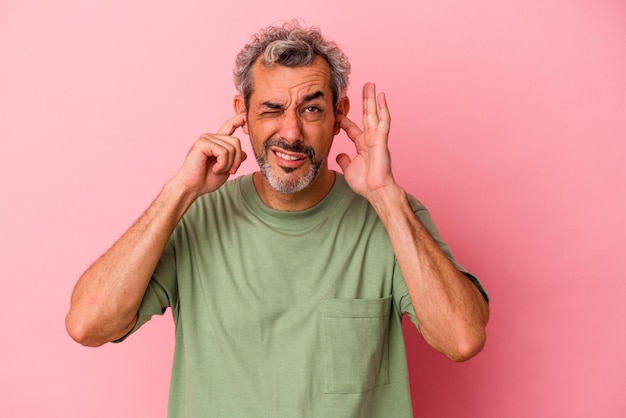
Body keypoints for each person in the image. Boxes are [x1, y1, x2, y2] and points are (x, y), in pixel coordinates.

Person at [66, 20, 489, 418]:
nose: (290, 133)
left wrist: (386, 198)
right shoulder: (194, 215)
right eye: (270, 109)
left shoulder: (393, 216)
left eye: (310, 109)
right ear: (242, 112)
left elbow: (462, 338)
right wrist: (180, 191)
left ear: (339, 114)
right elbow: (87, 325)